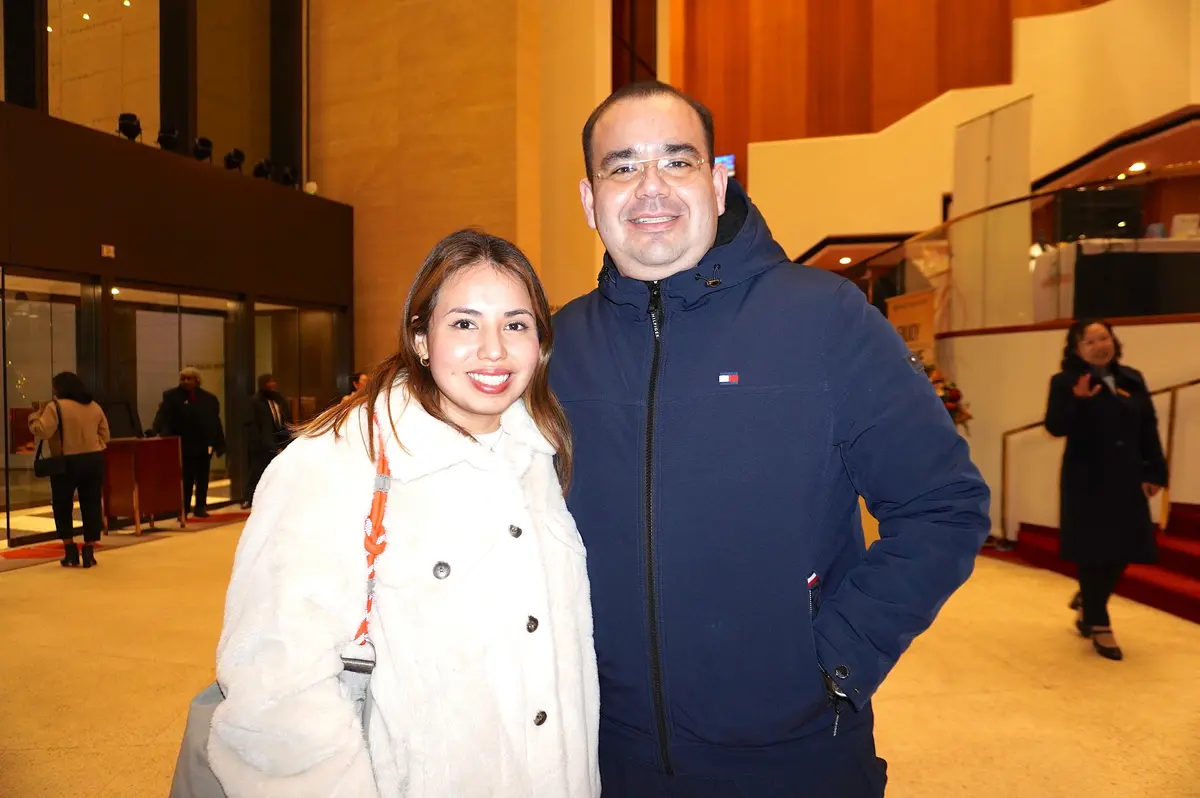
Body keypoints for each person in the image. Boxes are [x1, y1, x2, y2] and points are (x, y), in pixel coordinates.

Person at [549, 80, 991, 796]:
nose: (651, 186)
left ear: (718, 183)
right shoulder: (557, 345)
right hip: (606, 757)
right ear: (589, 198)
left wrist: (835, 661)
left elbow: (942, 506)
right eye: (622, 166)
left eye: (678, 161)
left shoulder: (825, 318)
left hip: (795, 757)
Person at [208, 230, 600, 797]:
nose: (494, 350)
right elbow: (275, 697)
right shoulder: (338, 463)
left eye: (516, 325)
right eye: (464, 324)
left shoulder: (538, 454)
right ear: (421, 339)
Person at [1044, 319, 1167, 661]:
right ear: (1077, 349)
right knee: (1093, 550)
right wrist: (1079, 401)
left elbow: (1148, 426)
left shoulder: (1132, 378)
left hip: (1128, 476)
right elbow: (1055, 426)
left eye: (1104, 338)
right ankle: (1098, 622)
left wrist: (1156, 470)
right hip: (1087, 479)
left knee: (1127, 547)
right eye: (1091, 341)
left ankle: (1089, 599)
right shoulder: (1065, 382)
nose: (1101, 345)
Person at [29, 372, 111, 568]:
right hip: (94, 459)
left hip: (66, 462)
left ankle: (70, 551)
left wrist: (34, 416)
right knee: (91, 503)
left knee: (62, 504)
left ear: (60, 388)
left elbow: (43, 431)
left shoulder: (55, 406)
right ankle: (89, 551)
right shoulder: (94, 406)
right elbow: (105, 435)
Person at [153, 367, 226, 518]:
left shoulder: (209, 399)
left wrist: (219, 443)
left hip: (203, 445)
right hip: (183, 445)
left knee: (203, 478)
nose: (186, 381)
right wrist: (156, 432)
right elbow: (162, 417)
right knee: (186, 479)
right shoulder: (172, 397)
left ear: (197, 380)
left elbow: (215, 422)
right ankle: (184, 509)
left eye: (189, 378)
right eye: (183, 378)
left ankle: (200, 507)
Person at [240, 373, 292, 509]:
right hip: (261, 445)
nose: (272, 384)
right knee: (256, 472)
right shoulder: (255, 402)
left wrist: (286, 440)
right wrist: (259, 441)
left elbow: (285, 420)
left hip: (279, 442)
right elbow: (251, 425)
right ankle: (248, 498)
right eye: (269, 382)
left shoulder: (279, 400)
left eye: (273, 381)